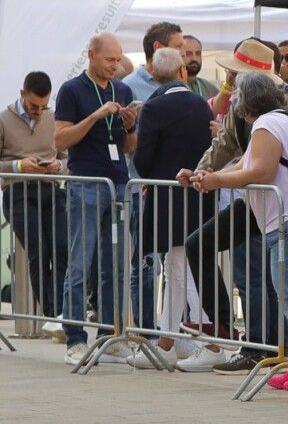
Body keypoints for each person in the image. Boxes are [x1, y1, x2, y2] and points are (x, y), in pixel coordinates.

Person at [192, 72, 288, 373]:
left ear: (247, 101)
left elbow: (261, 172)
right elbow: (245, 164)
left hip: (286, 220)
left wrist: (216, 181)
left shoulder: (267, 124)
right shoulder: (279, 120)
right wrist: (211, 176)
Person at [179, 40, 288, 371]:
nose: (229, 81)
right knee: (204, 247)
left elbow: (260, 162)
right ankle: (229, 329)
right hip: (256, 199)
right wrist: (202, 172)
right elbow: (224, 144)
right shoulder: (241, 105)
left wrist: (214, 178)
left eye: (234, 74)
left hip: (283, 204)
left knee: (268, 276)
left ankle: (274, 348)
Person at [133, 48, 220, 369]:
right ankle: (167, 342)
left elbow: (142, 157)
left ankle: (212, 343)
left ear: (154, 75)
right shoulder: (201, 104)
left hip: (168, 198)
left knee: (183, 270)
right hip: (199, 195)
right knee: (177, 267)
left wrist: (151, 176)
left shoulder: (154, 106)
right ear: (182, 72)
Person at [57, 33, 141, 363]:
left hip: (118, 183)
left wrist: (130, 127)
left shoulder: (123, 90)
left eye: (118, 60)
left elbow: (129, 147)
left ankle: (110, 335)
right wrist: (94, 116)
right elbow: (60, 139)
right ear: (91, 55)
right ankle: (75, 339)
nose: (115, 66)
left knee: (115, 266)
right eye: (109, 59)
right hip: (86, 184)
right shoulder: (72, 89)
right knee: (80, 263)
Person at [0, 71, 68, 328]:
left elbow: (66, 157)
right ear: (22, 94)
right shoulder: (4, 120)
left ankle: (59, 314)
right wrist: (18, 166)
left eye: (43, 106)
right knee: (38, 251)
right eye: (33, 106)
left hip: (50, 188)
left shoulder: (52, 118)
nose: (39, 111)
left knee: (62, 248)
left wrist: (58, 166)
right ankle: (52, 315)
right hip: (18, 192)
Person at [122, 22, 184, 103]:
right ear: (158, 47)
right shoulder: (128, 86)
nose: (183, 53)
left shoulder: (180, 82)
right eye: (178, 47)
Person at [180, 35, 218, 101]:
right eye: (188, 54)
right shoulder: (168, 88)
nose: (194, 58)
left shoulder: (210, 89)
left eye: (198, 53)